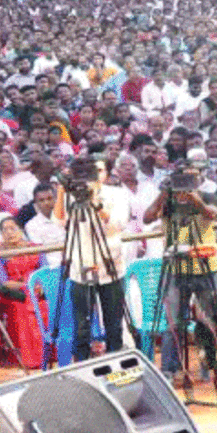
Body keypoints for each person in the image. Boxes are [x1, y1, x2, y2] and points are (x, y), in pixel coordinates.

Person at [143, 157, 217, 387]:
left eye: (192, 177)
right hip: (176, 269)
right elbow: (147, 217)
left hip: (205, 267)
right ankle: (169, 370)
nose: (187, 182)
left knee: (214, 319)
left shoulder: (208, 196)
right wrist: (164, 194)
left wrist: (194, 198)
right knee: (174, 323)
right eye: (183, 177)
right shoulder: (168, 201)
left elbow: (211, 214)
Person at [53, 154, 130, 361]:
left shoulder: (117, 194)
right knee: (81, 327)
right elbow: (59, 222)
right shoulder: (71, 194)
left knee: (114, 324)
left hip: (110, 265)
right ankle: (82, 365)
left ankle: (115, 365)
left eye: (97, 171)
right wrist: (61, 191)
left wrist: (96, 203)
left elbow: (118, 224)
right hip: (80, 266)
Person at [0, 216, 44, 369]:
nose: (9, 233)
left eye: (12, 228)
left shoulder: (34, 247)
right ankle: (29, 359)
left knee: (50, 303)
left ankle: (51, 354)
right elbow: (2, 282)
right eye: (5, 230)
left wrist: (39, 286)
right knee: (21, 308)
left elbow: (44, 271)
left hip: (37, 289)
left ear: (21, 230)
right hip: (13, 292)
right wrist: (27, 287)